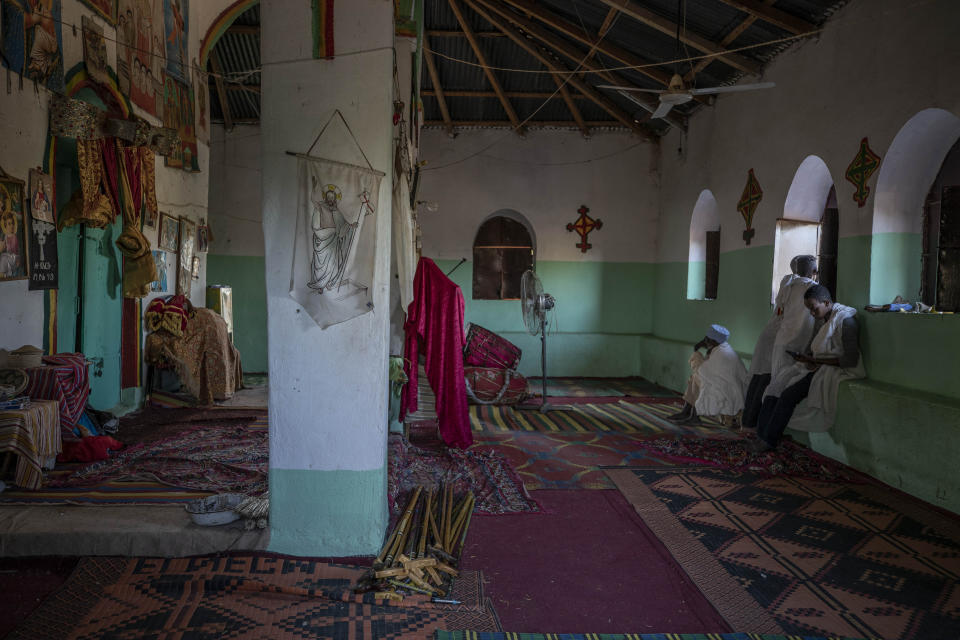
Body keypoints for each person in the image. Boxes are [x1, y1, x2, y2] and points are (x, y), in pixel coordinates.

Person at [752, 284, 865, 451]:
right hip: (818, 366)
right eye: (809, 310)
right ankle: (760, 436)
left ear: (826, 303)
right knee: (775, 385)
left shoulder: (845, 320)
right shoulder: (825, 319)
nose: (812, 314)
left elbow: (850, 360)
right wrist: (807, 359)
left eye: (814, 309)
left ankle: (769, 441)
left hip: (835, 370)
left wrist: (816, 360)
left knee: (788, 396)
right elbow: (817, 350)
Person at [742, 255, 818, 429]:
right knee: (773, 383)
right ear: (814, 271)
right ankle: (760, 426)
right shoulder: (810, 287)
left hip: (773, 335)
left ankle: (748, 422)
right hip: (787, 340)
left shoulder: (788, 282)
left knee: (760, 376)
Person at [667, 324, 748, 426]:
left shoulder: (721, 352)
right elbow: (710, 373)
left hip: (728, 392)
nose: (705, 341)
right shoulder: (722, 348)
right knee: (695, 377)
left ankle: (694, 416)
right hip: (726, 387)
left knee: (697, 372)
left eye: (708, 339)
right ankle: (686, 412)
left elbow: (704, 372)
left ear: (714, 341)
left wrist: (696, 350)